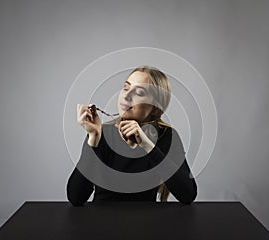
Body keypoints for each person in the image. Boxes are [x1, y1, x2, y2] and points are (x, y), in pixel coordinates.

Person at [66, 66, 197, 205]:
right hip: (102, 221)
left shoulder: (166, 135)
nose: (126, 96)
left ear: (155, 107)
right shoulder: (102, 133)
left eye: (139, 92)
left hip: (148, 222)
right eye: (126, 87)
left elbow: (188, 195)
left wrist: (147, 145)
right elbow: (75, 198)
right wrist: (94, 138)